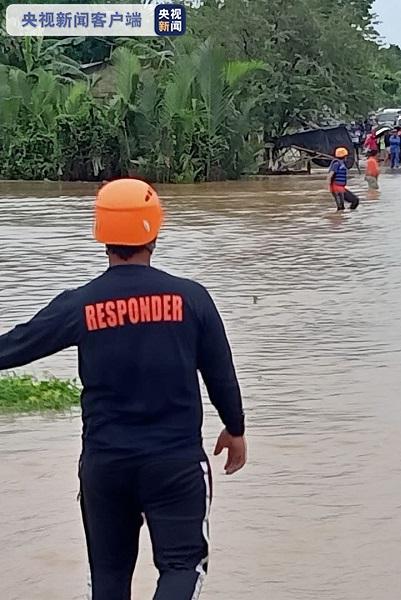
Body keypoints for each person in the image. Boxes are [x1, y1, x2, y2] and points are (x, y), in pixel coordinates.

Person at [0, 178, 247, 598]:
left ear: (101, 233)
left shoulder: (80, 303)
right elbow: (220, 371)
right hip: (176, 464)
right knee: (183, 567)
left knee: (109, 579)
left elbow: (16, 346)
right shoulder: (192, 299)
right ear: (155, 227)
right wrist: (235, 428)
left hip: (106, 465)